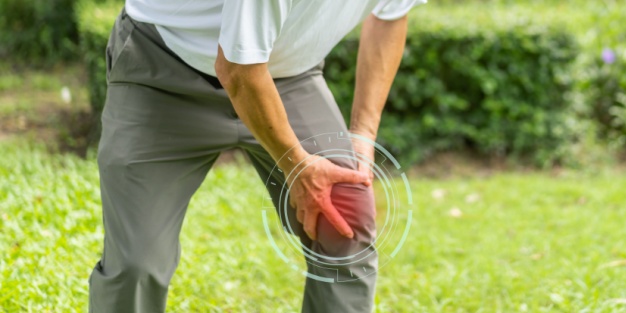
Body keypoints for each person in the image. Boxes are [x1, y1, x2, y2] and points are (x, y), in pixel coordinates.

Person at [88, 0, 425, 312]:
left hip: (287, 78)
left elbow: (391, 15)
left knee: (344, 221)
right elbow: (237, 69)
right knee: (136, 264)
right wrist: (299, 166)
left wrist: (364, 132)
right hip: (163, 69)